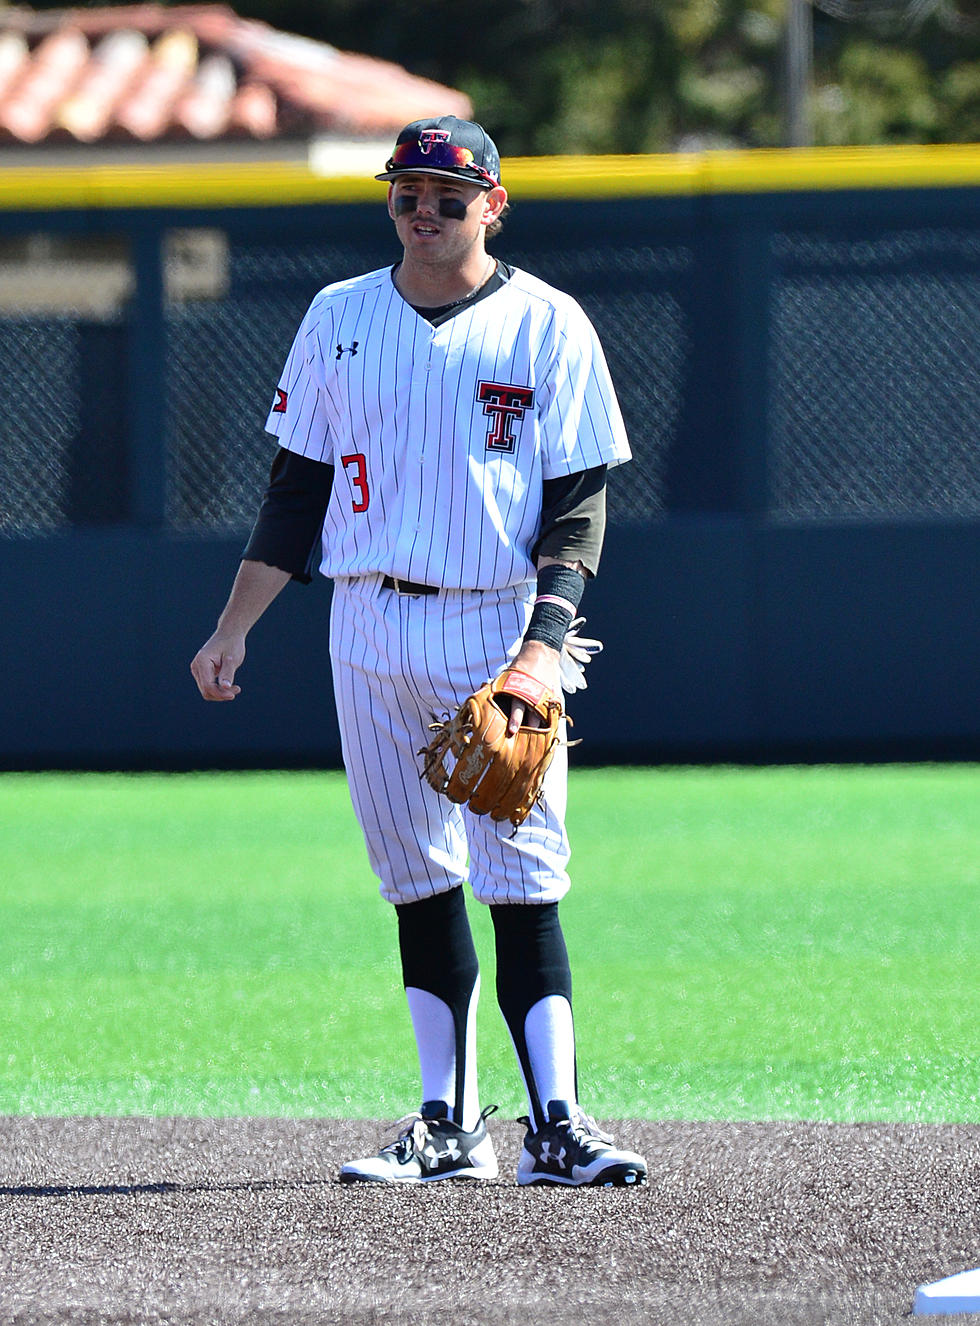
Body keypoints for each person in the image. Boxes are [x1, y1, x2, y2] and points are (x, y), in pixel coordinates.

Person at [190, 116, 647, 1189]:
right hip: (367, 618)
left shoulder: (546, 324)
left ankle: (557, 1126)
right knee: (414, 879)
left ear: (494, 204)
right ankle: (447, 1127)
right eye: (408, 193)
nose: (426, 210)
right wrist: (233, 626)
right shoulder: (337, 317)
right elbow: (295, 493)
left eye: (449, 194)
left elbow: (577, 508)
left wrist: (542, 651)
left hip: (495, 620)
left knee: (523, 880)